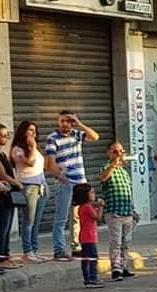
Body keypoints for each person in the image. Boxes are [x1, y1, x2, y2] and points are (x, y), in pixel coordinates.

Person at [46, 111, 100, 261]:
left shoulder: (77, 134)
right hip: (66, 183)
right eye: (63, 121)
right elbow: (50, 163)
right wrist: (60, 176)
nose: (66, 124)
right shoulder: (52, 138)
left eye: (69, 121)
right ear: (58, 122)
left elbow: (95, 137)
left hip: (80, 182)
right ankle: (59, 249)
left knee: (79, 217)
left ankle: (77, 247)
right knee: (62, 217)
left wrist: (80, 123)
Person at [99, 143, 137, 283]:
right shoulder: (106, 167)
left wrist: (133, 210)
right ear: (109, 153)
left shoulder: (124, 172)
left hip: (127, 212)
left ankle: (124, 266)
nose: (119, 154)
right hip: (114, 212)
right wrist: (113, 164)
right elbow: (103, 178)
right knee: (116, 242)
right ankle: (116, 268)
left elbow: (128, 192)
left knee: (126, 242)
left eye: (121, 151)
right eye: (115, 151)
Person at [11, 121, 47, 263]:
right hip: (29, 186)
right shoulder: (18, 149)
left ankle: (34, 250)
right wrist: (32, 146)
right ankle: (27, 251)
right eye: (29, 130)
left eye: (34, 130)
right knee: (29, 221)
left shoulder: (34, 148)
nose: (32, 133)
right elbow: (30, 162)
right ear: (23, 132)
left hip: (41, 185)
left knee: (37, 221)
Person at [73, 183, 105, 289]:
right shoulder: (87, 207)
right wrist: (100, 207)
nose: (94, 194)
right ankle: (93, 278)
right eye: (91, 192)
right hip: (90, 237)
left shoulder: (82, 207)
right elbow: (98, 218)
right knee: (93, 258)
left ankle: (87, 279)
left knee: (86, 259)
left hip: (84, 236)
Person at [0, 124, 22, 270]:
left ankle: (6, 256)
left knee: (6, 229)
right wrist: (17, 183)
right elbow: (3, 175)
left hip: (8, 195)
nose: (6, 138)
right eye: (2, 135)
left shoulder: (2, 154)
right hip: (2, 196)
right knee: (2, 229)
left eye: (7, 135)